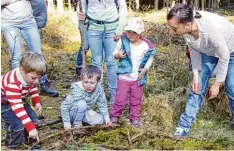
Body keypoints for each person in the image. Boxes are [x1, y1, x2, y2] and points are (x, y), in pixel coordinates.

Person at [167, 3, 234, 137]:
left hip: (230, 51)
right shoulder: (188, 30)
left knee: (231, 87)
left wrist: (217, 84)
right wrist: (196, 74)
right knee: (196, 88)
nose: (171, 32)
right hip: (208, 51)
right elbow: (194, 49)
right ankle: (183, 127)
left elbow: (224, 56)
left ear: (187, 25)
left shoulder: (210, 30)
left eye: (174, 28)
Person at [1, 0, 59, 97]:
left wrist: (41, 19)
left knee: (38, 54)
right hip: (8, 23)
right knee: (16, 56)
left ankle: (43, 82)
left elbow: (38, 2)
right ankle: (18, 88)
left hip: (28, 20)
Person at [109, 17, 156, 128]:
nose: (130, 35)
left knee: (136, 99)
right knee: (120, 99)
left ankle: (135, 118)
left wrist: (145, 69)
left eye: (133, 33)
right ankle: (114, 115)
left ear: (139, 33)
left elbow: (150, 57)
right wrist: (117, 55)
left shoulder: (145, 46)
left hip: (137, 78)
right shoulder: (123, 41)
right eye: (128, 32)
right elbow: (114, 52)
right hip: (123, 78)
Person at [77, 0, 127, 104]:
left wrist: (120, 28)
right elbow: (81, 5)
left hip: (112, 28)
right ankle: (98, 95)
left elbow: (122, 6)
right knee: (97, 61)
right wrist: (80, 15)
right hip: (93, 27)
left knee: (111, 62)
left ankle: (114, 95)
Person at [1, 52, 46, 149]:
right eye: (34, 78)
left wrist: (36, 101)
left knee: (33, 119)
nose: (37, 81)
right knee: (17, 125)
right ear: (22, 69)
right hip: (4, 101)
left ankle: (31, 141)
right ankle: (13, 146)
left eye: (39, 78)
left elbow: (33, 87)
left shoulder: (30, 77)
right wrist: (30, 127)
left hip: (18, 97)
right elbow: (18, 108)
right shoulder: (12, 83)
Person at [60, 65, 112, 130]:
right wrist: (66, 123)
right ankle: (77, 124)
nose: (88, 85)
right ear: (81, 79)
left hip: (85, 112)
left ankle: (82, 120)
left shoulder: (99, 90)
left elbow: (102, 104)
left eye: (92, 83)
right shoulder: (76, 91)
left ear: (98, 82)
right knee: (82, 104)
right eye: (86, 82)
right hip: (72, 112)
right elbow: (64, 107)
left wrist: (107, 118)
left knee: (100, 120)